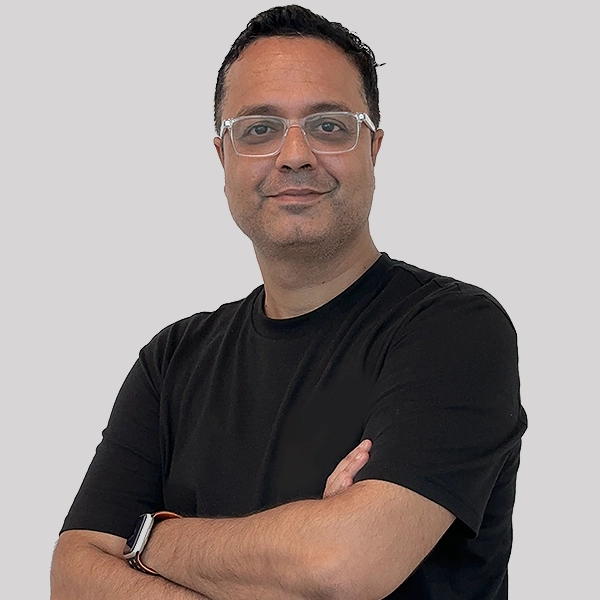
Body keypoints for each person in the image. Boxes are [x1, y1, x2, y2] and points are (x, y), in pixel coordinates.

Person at [50, 5, 527, 599]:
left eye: (329, 125)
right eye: (259, 129)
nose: (294, 154)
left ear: (373, 148)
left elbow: (341, 564)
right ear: (223, 156)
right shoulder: (171, 361)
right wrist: (290, 561)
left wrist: (149, 540)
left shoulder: (454, 331)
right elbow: (72, 575)